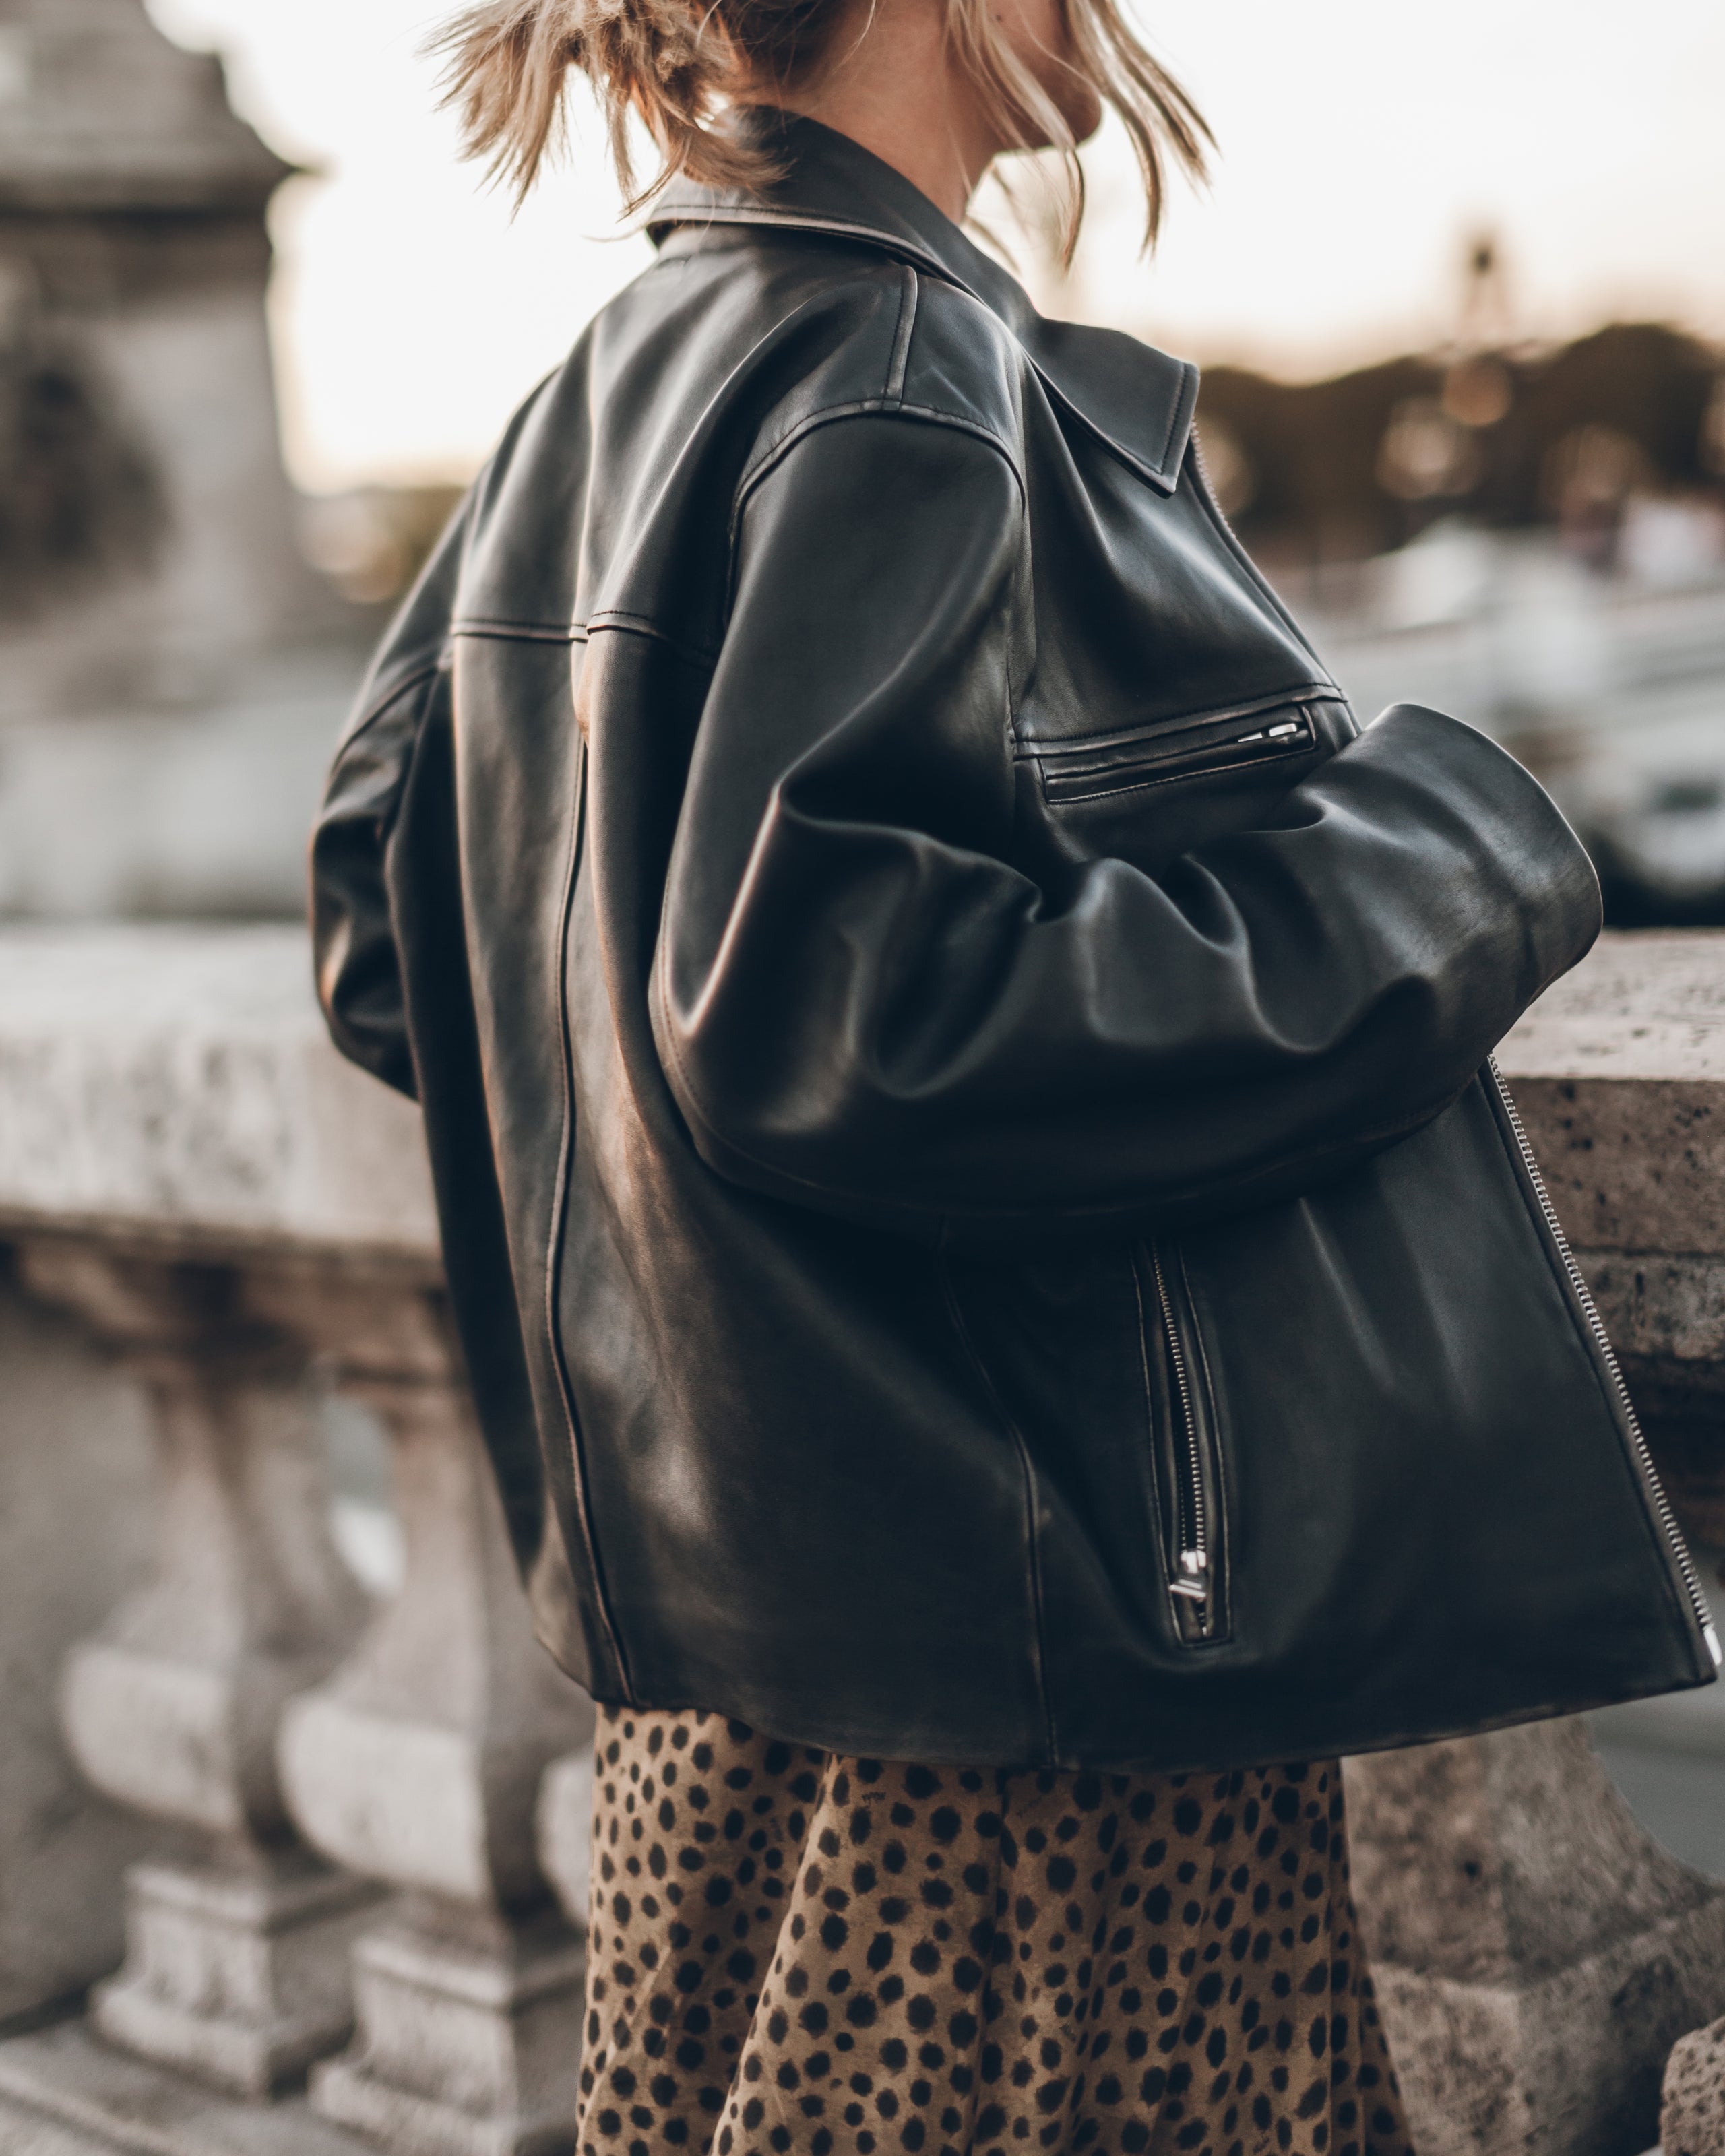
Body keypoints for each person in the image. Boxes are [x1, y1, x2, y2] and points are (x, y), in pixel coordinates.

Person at [311, 0, 1719, 2149]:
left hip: (739, 1650)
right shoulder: (898, 371)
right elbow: (855, 1014)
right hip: (1020, 1701)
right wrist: (1458, 855)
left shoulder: (595, 389)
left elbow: (385, 923)